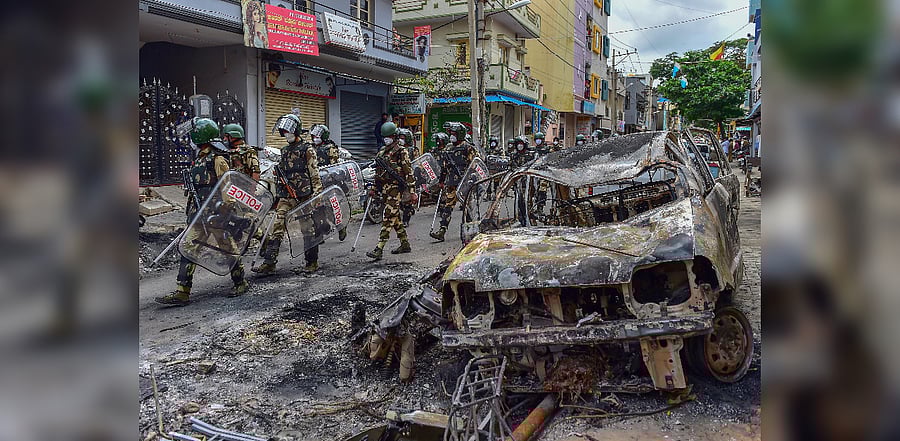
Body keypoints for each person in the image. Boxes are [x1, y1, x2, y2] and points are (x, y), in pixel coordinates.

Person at [156, 119, 248, 306]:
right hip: (199, 215)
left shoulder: (217, 159)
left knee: (228, 248)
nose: (191, 138)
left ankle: (240, 282)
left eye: (193, 135)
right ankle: (182, 292)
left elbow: (227, 187)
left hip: (216, 215)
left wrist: (225, 210)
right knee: (188, 248)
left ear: (201, 136)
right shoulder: (199, 159)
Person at [252, 113, 324, 275]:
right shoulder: (284, 151)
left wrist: (317, 195)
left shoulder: (307, 149)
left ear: (296, 131)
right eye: (284, 131)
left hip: (304, 196)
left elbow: (314, 174)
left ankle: (312, 262)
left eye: (288, 131)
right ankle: (269, 263)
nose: (286, 134)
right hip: (286, 196)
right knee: (277, 226)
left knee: (307, 229)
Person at [367, 122, 417, 260]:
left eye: (388, 136)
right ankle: (405, 243)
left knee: (388, 216)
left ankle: (379, 247)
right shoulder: (382, 151)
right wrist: (373, 188)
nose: (386, 139)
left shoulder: (401, 151)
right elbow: (377, 173)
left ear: (394, 136)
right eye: (384, 137)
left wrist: (412, 191)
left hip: (396, 189)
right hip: (384, 188)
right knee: (395, 218)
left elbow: (408, 172)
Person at [430, 122, 477, 242]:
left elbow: (474, 165)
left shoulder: (468, 148)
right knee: (447, 207)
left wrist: (472, 180)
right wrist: (441, 181)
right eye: (451, 133)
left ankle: (469, 231)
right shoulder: (448, 148)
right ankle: (442, 230)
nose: (452, 135)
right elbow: (444, 167)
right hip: (451, 183)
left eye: (454, 133)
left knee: (467, 208)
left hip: (465, 183)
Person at [397, 128, 418, 225]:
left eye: (402, 138)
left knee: (407, 200)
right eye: (399, 137)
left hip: (408, 177)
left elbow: (417, 162)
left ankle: (406, 220)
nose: (400, 140)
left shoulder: (412, 150)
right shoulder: (396, 149)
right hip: (398, 177)